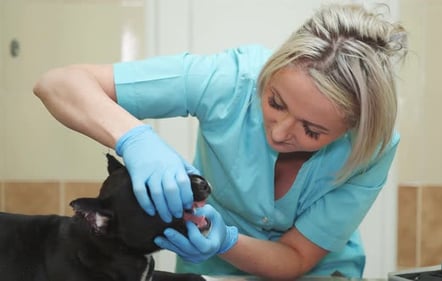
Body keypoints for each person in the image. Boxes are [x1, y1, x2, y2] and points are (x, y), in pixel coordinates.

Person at [33, 3, 407, 280]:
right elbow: (57, 85)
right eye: (274, 103)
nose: (278, 133)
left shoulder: (372, 146)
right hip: (213, 273)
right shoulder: (230, 79)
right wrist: (136, 139)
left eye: (312, 131)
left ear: (352, 129)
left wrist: (226, 241)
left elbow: (295, 257)